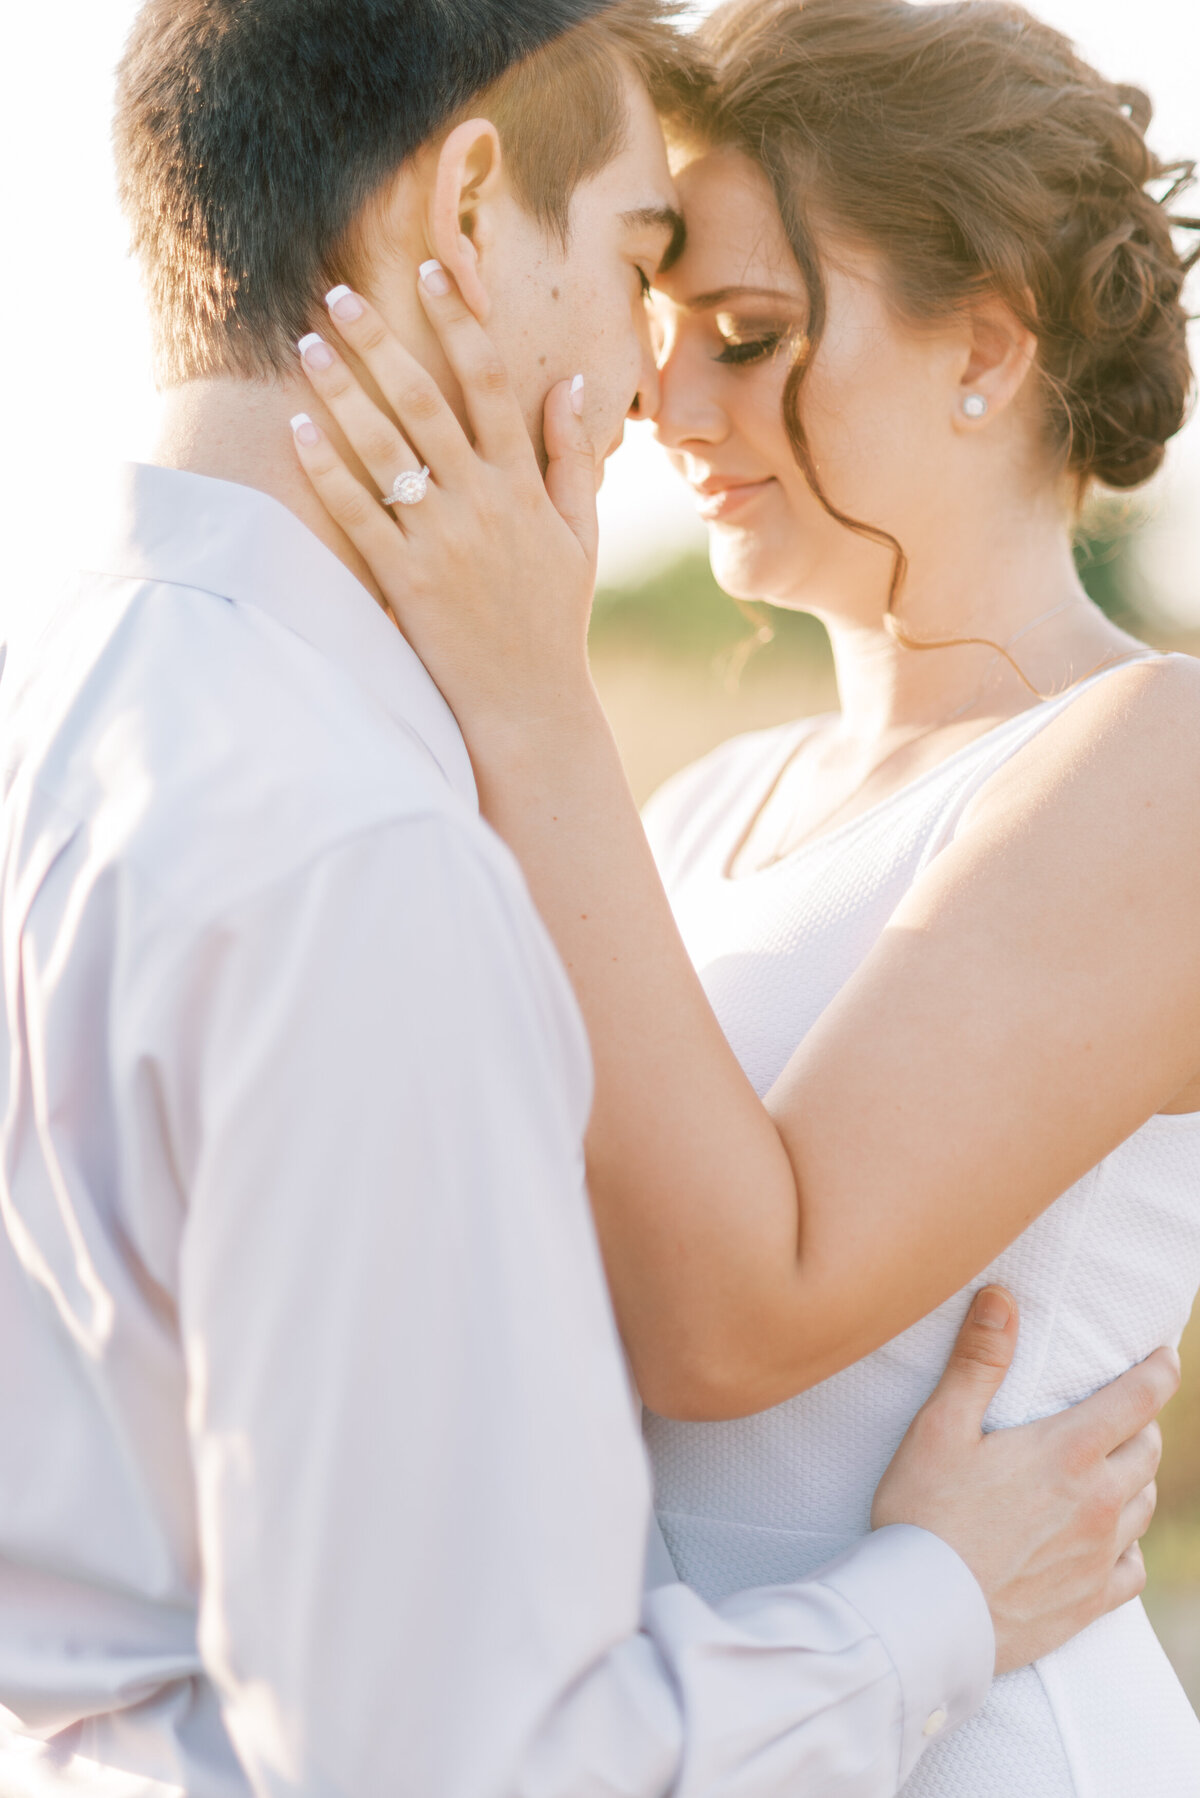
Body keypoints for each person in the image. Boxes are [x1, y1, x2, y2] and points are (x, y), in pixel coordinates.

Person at [0, 0, 1175, 1794]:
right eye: (661, 315)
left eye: (749, 333)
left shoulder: (1157, 760)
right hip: (721, 1720)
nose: (663, 403)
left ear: (988, 345)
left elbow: (731, 1313)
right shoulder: (695, 806)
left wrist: (529, 693)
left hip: (980, 1737)